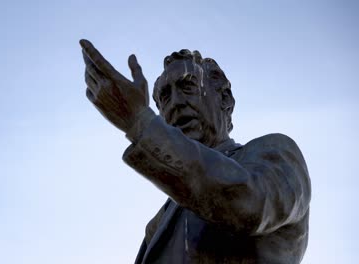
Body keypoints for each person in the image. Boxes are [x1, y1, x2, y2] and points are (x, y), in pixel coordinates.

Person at [80, 39, 311, 264]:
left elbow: (246, 204)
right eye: (165, 97)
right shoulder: (159, 224)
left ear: (225, 99)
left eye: (188, 87)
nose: (176, 103)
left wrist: (140, 123)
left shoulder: (275, 152)